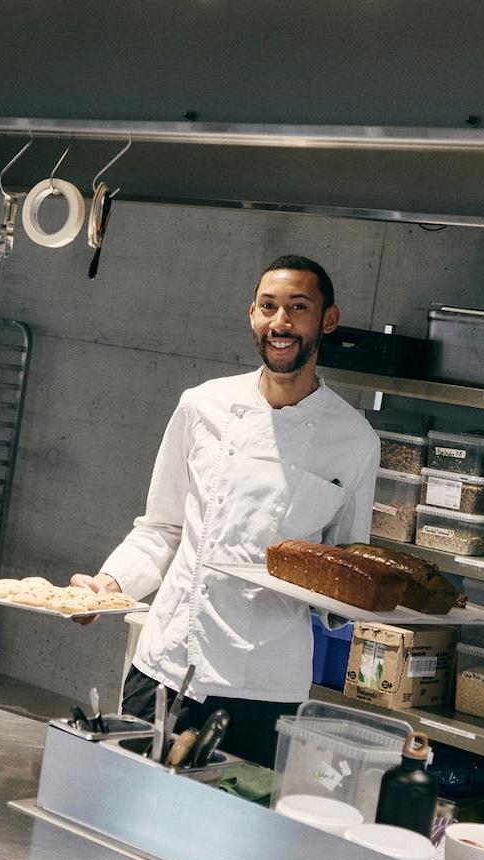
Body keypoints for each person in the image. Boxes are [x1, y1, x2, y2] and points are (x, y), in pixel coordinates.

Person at [72, 255, 380, 768]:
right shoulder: (203, 406)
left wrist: (371, 601)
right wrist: (111, 584)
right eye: (268, 307)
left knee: (233, 832)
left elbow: (346, 568)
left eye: (297, 308)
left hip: (267, 683)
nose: (280, 323)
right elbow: (162, 527)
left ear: (327, 320)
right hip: (170, 661)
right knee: (129, 810)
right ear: (252, 315)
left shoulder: (353, 440)